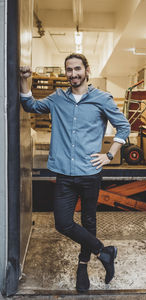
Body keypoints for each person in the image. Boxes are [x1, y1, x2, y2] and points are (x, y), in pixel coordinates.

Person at [20, 53, 130, 292]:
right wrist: (25, 80)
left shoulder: (102, 98)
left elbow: (124, 125)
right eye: (69, 70)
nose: (73, 74)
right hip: (64, 174)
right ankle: (104, 251)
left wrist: (109, 154)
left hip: (90, 172)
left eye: (77, 69)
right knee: (63, 223)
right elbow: (30, 105)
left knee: (89, 221)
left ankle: (83, 266)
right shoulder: (58, 98)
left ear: (86, 70)